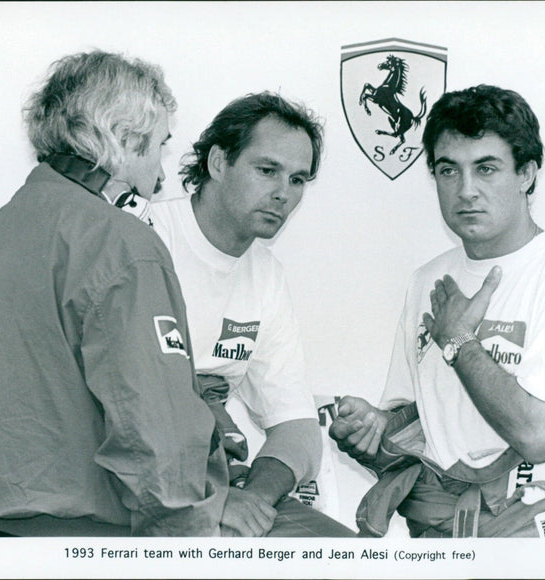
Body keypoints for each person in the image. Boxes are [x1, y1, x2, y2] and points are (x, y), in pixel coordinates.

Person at [0, 51, 229, 536]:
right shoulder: (124, 246)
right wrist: (184, 549)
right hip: (94, 545)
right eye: (160, 146)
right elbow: (158, 441)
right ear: (127, 139)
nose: (163, 172)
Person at [329, 85, 545, 538]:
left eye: (486, 168)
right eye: (449, 170)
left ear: (526, 173)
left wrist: (459, 341)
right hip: (439, 532)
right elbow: (419, 418)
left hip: (537, 534)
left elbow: (541, 436)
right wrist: (376, 425)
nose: (466, 190)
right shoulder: (427, 280)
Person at [148, 92, 354, 537]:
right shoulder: (145, 235)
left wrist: (252, 502)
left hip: (219, 486)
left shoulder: (266, 275)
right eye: (267, 170)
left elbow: (298, 428)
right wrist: (214, 502)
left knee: (350, 556)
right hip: (135, 488)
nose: (283, 193)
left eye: (298, 180)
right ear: (218, 163)